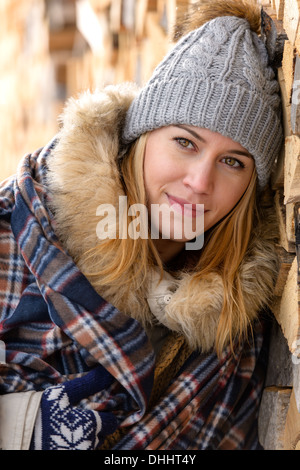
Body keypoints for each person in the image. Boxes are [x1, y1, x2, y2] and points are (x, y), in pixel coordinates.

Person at [0, 0, 283, 450]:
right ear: (141, 138)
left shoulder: (232, 338)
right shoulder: (17, 231)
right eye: (185, 142)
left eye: (232, 162)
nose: (199, 182)